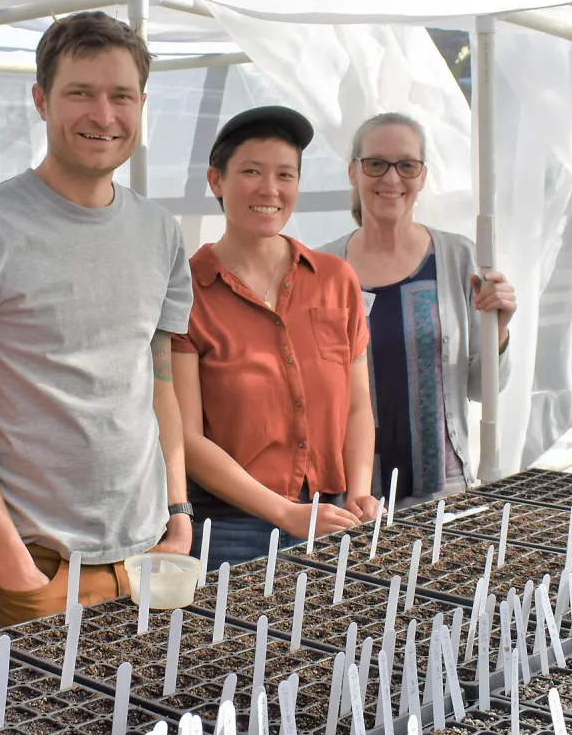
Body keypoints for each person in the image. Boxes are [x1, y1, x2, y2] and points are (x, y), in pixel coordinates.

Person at [0, 12, 194, 630]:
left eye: (121, 96)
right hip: (34, 563)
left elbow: (159, 385)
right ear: (42, 101)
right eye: (81, 93)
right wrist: (6, 555)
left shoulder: (161, 233)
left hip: (151, 553)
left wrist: (178, 510)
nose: (103, 115)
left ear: (142, 104)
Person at [172, 106, 378, 567]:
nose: (270, 189)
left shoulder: (335, 278)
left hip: (331, 514)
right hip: (229, 531)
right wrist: (286, 513)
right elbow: (184, 437)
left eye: (285, 175)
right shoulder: (186, 291)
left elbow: (359, 404)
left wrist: (360, 492)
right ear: (216, 181)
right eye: (251, 171)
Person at [319, 112, 515, 501]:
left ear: (423, 176)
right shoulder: (323, 268)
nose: (391, 179)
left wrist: (500, 330)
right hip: (351, 497)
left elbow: (481, 387)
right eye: (376, 164)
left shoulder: (458, 257)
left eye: (407, 165)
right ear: (353, 173)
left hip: (443, 490)